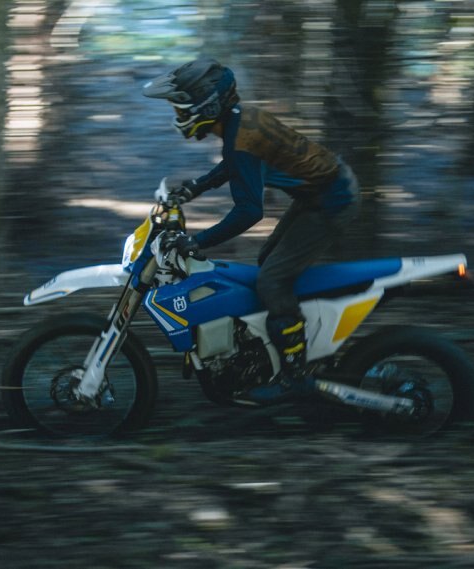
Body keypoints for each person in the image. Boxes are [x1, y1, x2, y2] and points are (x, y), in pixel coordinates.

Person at [143, 57, 359, 403]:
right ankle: (284, 341)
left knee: (272, 280)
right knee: (268, 261)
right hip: (319, 193)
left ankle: (295, 372)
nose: (178, 114)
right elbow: (235, 164)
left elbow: (249, 211)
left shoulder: (240, 135)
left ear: (207, 106)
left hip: (332, 200)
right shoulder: (238, 121)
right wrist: (195, 188)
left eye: (181, 108)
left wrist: (197, 241)